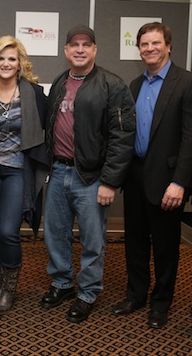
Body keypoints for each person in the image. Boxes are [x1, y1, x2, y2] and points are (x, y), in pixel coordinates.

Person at [111, 22, 192, 328]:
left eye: (155, 43)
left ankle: (161, 303)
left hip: (167, 180)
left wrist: (180, 182)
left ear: (168, 46)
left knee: (165, 246)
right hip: (135, 175)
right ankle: (136, 294)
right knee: (135, 242)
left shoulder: (189, 83)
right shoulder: (136, 85)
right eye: (144, 45)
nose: (149, 49)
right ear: (138, 49)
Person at [41, 25, 136, 323]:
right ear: (66, 50)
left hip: (92, 177)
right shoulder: (59, 82)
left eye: (86, 44)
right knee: (56, 234)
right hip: (58, 171)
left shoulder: (112, 84)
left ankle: (87, 292)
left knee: (93, 240)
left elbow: (122, 136)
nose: (80, 49)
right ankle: (62, 283)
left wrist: (109, 181)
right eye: (74, 45)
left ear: (95, 50)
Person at [0, 36, 49, 316]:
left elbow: (47, 133)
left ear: (20, 64)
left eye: (11, 59)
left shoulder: (35, 94)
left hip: (18, 171)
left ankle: (10, 289)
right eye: (0, 58)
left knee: (8, 231)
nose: (6, 63)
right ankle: (1, 285)